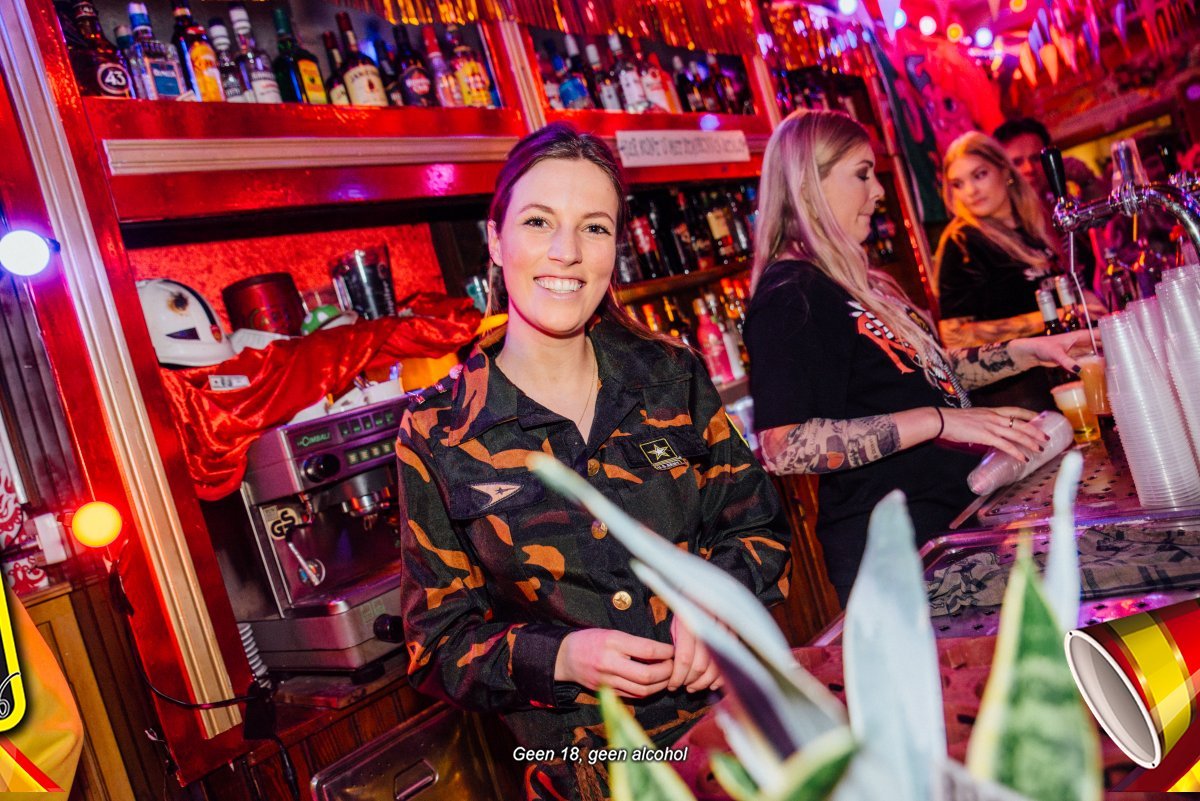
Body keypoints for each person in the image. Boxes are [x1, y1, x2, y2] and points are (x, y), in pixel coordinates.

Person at [396, 122, 790, 801]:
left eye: (595, 228)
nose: (567, 252)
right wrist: (561, 657)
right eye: (539, 221)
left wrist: (717, 603)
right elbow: (436, 646)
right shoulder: (436, 432)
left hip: (739, 743)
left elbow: (759, 527)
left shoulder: (670, 376)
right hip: (584, 774)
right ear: (495, 240)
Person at [744, 110, 1091, 604]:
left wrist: (1027, 351)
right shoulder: (791, 293)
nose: (877, 191)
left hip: (950, 526)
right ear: (808, 185)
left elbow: (928, 370)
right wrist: (937, 421)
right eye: (862, 174)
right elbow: (784, 446)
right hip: (895, 557)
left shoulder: (861, 283)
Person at [935, 131, 1103, 410]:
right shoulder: (962, 241)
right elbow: (954, 335)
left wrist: (1082, 300)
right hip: (1015, 393)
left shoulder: (1033, 223)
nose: (971, 191)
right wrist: (1052, 317)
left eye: (979, 175)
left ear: (1004, 171)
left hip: (1062, 374)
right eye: (958, 184)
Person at [993, 117, 1101, 284]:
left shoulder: (1058, 203)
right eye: (1017, 162)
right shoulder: (1006, 224)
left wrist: (1087, 182)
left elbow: (1105, 229)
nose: (1029, 168)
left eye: (1036, 158)